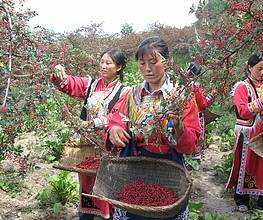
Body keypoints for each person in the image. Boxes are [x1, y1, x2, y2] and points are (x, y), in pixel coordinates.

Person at [106, 36, 201, 220]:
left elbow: (190, 145)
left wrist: (180, 129)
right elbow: (116, 119)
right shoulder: (132, 94)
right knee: (132, 211)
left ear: (166, 61)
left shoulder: (181, 97)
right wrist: (115, 129)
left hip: (169, 168)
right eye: (142, 63)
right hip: (134, 167)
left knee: (167, 211)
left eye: (153, 62)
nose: (147, 69)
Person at [51, 48, 128, 220]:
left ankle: (108, 215)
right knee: (86, 182)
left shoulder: (124, 92)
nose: (103, 65)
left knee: (107, 184)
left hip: (108, 147)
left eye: (108, 63)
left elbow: (117, 116)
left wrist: (94, 123)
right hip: (87, 146)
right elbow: (70, 83)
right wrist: (59, 73)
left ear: (119, 67)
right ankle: (86, 214)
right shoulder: (91, 85)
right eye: (101, 61)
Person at [225, 52, 263, 212]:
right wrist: (260, 102)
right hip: (250, 132)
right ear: (249, 67)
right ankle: (241, 198)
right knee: (247, 164)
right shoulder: (242, 87)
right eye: (259, 69)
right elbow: (242, 111)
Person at [187, 62, 216, 159]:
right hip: (195, 116)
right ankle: (196, 158)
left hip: (185, 116)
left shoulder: (181, 84)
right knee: (196, 138)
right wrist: (211, 95)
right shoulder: (195, 87)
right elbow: (203, 104)